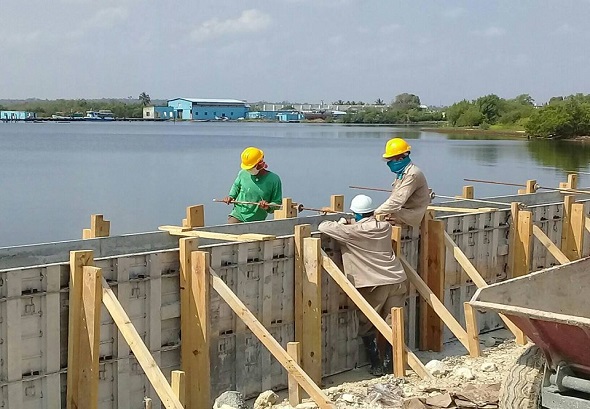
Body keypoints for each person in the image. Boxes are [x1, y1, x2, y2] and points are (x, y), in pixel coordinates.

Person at [318, 194, 408, 376]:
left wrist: (342, 220)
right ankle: (392, 365)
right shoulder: (384, 227)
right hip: (396, 280)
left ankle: (376, 364)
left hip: (374, 284)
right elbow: (366, 224)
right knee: (394, 323)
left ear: (356, 214)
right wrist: (353, 220)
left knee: (367, 324)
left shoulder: (352, 232)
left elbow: (324, 227)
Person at [374, 137, 431, 227]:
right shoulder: (403, 173)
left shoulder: (412, 174)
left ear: (400, 159)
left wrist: (375, 212)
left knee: (377, 220)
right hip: (403, 211)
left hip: (412, 214)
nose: (389, 163)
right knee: (382, 215)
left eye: (391, 160)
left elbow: (397, 201)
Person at [222, 147, 282, 223]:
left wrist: (268, 206)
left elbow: (277, 203)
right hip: (238, 215)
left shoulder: (274, 179)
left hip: (257, 221)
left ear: (260, 163)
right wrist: (231, 196)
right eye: (248, 168)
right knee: (230, 233)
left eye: (251, 167)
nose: (249, 170)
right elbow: (236, 186)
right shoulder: (242, 173)